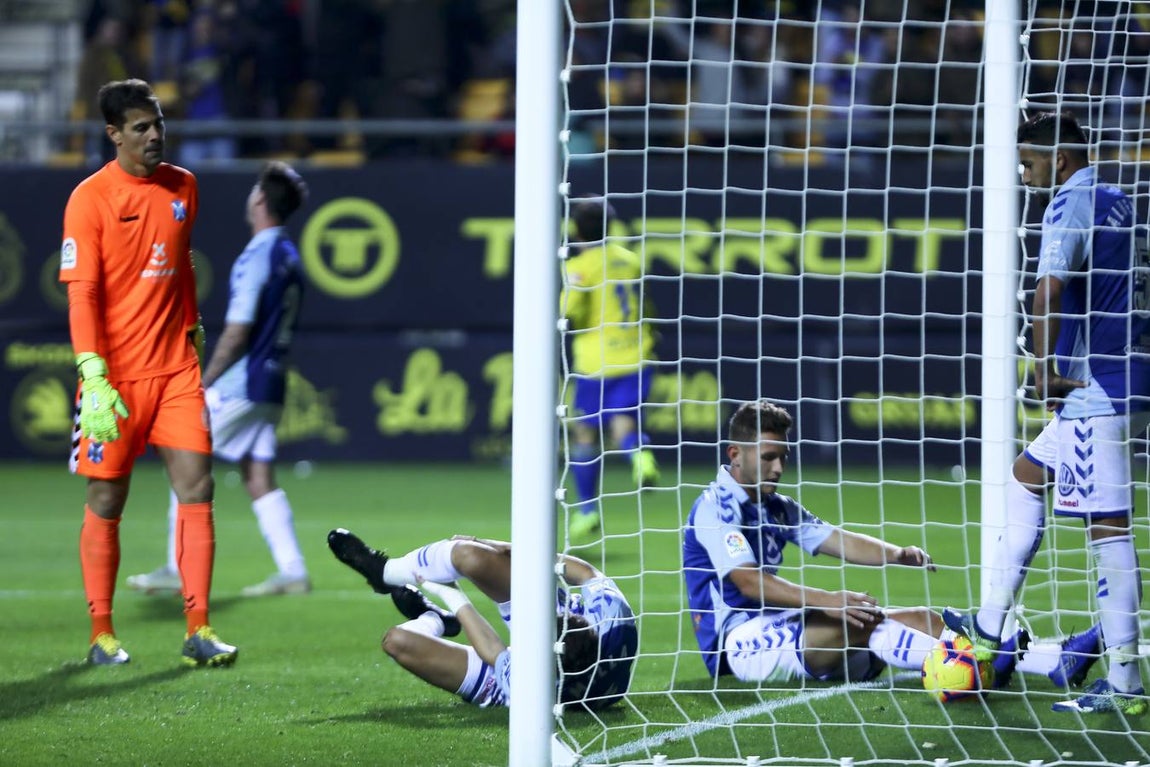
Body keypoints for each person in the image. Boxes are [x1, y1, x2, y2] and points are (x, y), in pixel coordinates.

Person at [945, 111, 1150, 715]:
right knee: (1026, 476)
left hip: (1097, 390)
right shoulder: (1123, 202)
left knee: (1107, 530)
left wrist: (1041, 372)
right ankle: (988, 623)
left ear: (1057, 160)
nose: (1025, 174)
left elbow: (1047, 290)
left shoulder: (1068, 203)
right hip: (1132, 375)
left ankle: (1126, 681)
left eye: (1029, 164)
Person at [683, 399, 1103, 689]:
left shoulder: (776, 506)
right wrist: (830, 599)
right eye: (768, 456)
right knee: (854, 621)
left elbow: (838, 540)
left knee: (920, 618)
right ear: (735, 454)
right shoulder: (716, 506)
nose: (779, 467)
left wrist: (896, 554)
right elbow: (748, 583)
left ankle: (1050, 663)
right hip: (735, 645)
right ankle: (983, 666)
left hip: (784, 629)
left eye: (783, 456)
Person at [59, 78, 236, 667]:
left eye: (158, 123)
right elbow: (82, 294)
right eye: (141, 127)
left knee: (198, 488)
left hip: (176, 368)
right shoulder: (90, 199)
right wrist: (93, 374)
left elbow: (180, 262)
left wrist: (193, 320)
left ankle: (199, 629)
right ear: (114, 134)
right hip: (114, 379)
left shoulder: (184, 185)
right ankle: (101, 634)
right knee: (107, 498)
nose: (155, 135)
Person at [127, 160, 311, 598]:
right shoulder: (290, 254)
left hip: (242, 382)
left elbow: (237, 329)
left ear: (261, 200)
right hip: (272, 382)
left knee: (182, 453)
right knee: (257, 475)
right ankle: (294, 571)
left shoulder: (259, 252)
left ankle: (177, 567)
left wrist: (202, 379)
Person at [326, 528, 637, 710]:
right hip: (565, 663)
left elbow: (493, 650)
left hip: (520, 687)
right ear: (575, 617)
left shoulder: (528, 682)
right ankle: (385, 573)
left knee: (397, 642)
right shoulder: (614, 617)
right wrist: (507, 548)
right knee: (469, 555)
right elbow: (584, 571)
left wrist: (447, 591)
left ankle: (433, 618)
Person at [561, 197, 659, 542]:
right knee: (622, 423)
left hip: (596, 361)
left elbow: (570, 312)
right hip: (637, 353)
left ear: (575, 229)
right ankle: (640, 456)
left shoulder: (582, 266)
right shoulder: (630, 259)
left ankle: (587, 511)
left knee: (585, 434)